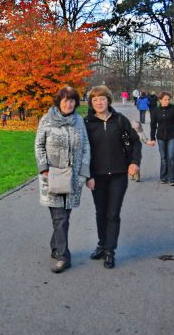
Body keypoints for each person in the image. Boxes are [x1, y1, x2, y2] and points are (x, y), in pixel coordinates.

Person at [84, 86, 142, 269]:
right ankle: (102, 244)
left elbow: (135, 142)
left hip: (118, 175)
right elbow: (83, 153)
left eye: (102, 99)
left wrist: (134, 162)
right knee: (100, 212)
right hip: (97, 177)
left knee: (113, 213)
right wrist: (88, 175)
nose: (99, 103)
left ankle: (110, 251)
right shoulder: (87, 124)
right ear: (91, 103)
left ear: (108, 100)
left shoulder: (120, 121)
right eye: (95, 100)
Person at [35, 86, 91, 273]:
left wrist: (84, 172)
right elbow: (39, 145)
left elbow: (86, 147)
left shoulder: (79, 122)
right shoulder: (47, 120)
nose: (69, 104)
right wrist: (44, 168)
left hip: (73, 177)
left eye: (72, 100)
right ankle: (63, 256)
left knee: (65, 216)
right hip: (52, 176)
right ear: (58, 102)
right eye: (65, 100)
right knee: (59, 217)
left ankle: (55, 246)